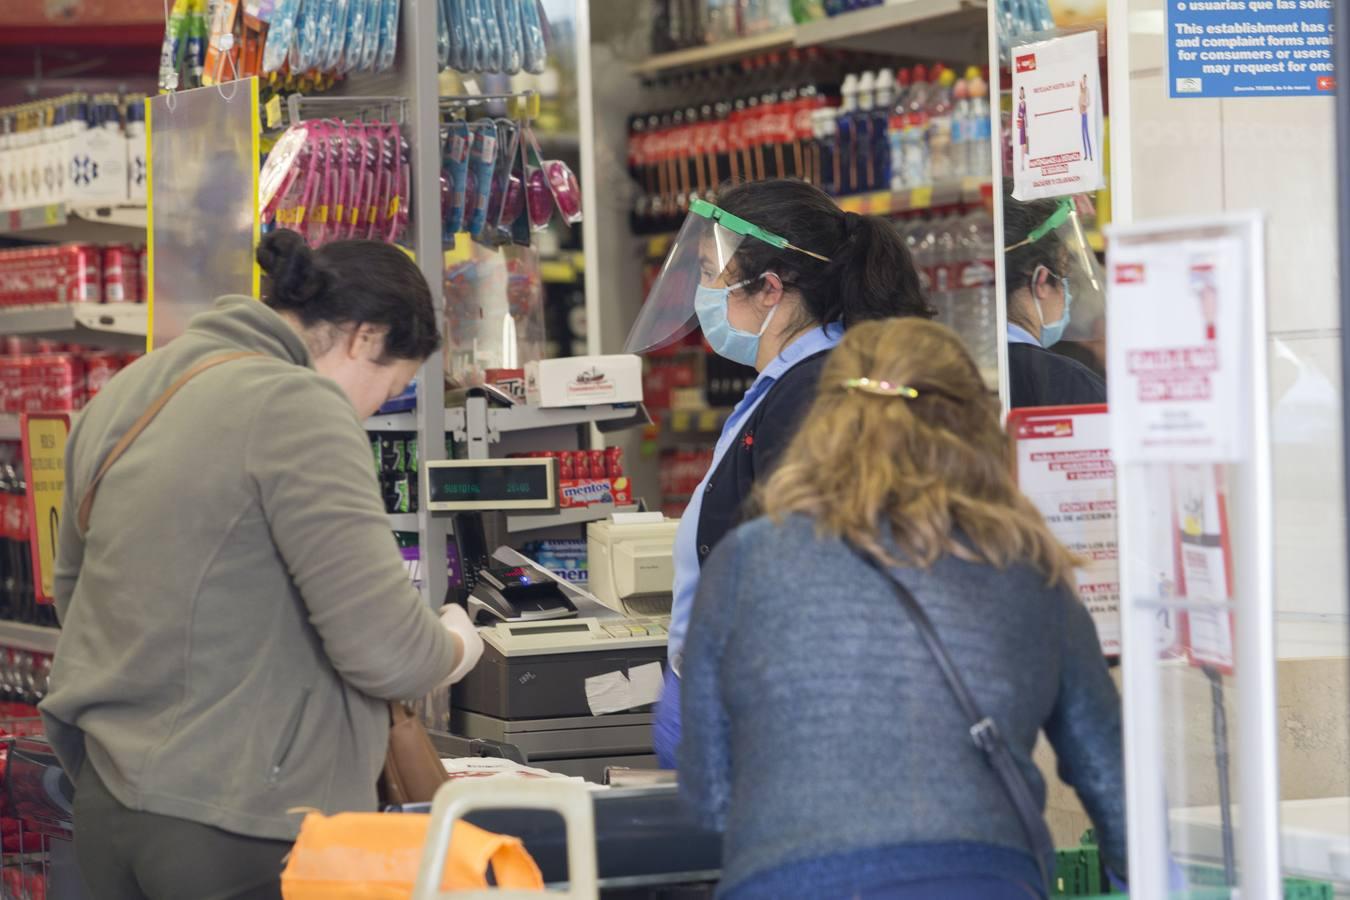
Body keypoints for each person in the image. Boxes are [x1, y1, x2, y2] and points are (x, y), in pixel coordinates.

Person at [41, 231, 486, 900]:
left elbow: (70, 594)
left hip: (110, 809)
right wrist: (457, 642)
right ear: (366, 337)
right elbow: (387, 653)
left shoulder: (125, 394)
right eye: (388, 387)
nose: (368, 412)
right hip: (242, 825)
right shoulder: (299, 406)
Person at [680, 318, 1126, 899]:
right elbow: (1109, 776)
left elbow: (708, 798)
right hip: (982, 882)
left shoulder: (745, 561)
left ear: (823, 421)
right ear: (974, 423)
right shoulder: (1026, 565)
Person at [622, 179, 932, 768]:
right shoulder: (789, 384)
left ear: (768, 289)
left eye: (713, 274)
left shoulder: (813, 391)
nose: (703, 293)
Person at [1004, 192, 1107, 408]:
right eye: (1064, 275)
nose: (1068, 294)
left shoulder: (956, 368)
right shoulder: (1073, 385)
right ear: (1041, 281)